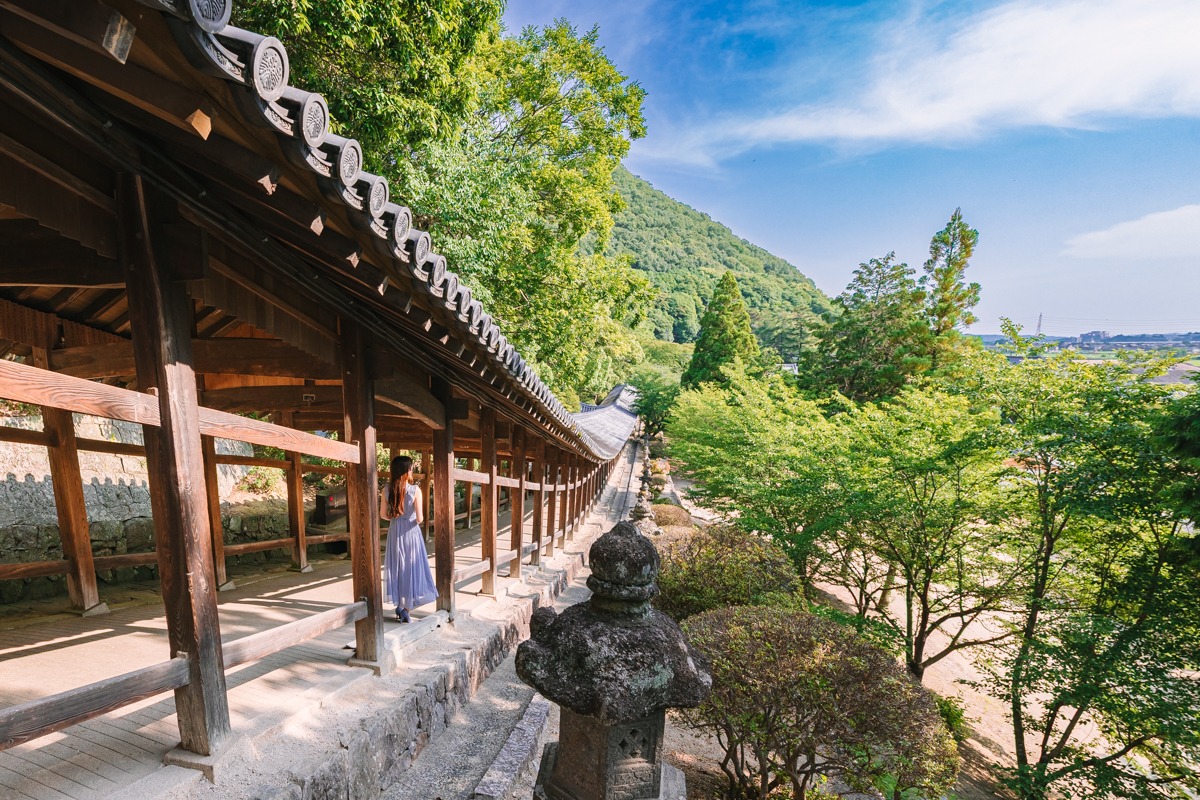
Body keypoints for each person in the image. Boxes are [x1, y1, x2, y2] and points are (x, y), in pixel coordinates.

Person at [379, 455, 438, 622]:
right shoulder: (415, 490)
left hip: (395, 531)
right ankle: (406, 609)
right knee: (410, 567)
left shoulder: (386, 489)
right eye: (411, 468)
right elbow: (420, 518)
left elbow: (383, 514)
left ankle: (398, 603)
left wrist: (396, 518)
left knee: (396, 566)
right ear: (407, 471)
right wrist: (408, 518)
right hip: (411, 532)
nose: (412, 470)